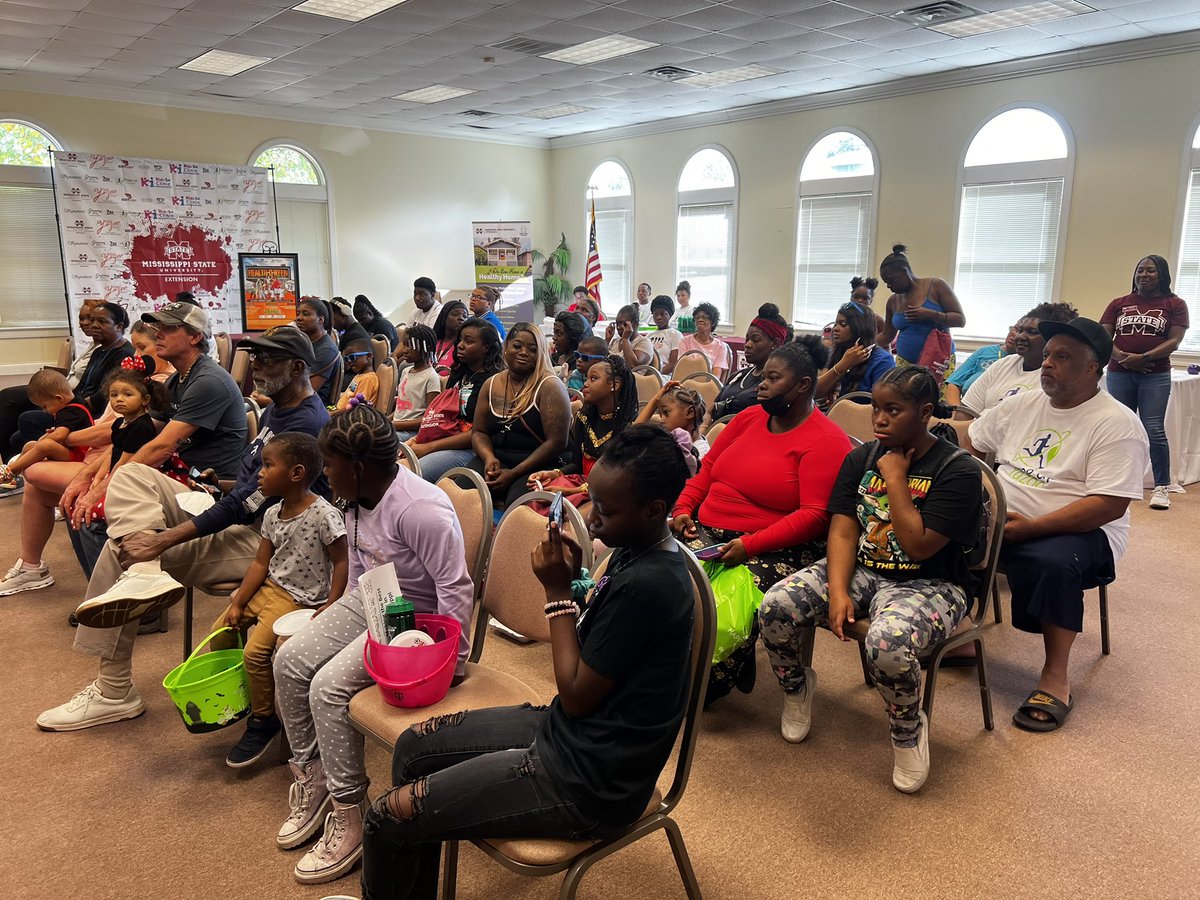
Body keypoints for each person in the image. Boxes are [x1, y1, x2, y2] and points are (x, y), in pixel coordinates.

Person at [358, 425, 695, 899]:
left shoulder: (651, 583)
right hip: (572, 737)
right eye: (592, 502)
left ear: (655, 510)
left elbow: (576, 694)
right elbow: (601, 649)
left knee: (386, 818)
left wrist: (557, 593)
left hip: (591, 783)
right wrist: (577, 581)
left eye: (606, 510)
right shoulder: (636, 551)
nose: (592, 520)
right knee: (414, 748)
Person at [35, 319, 329, 732]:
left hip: (271, 545)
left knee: (123, 550)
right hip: (238, 514)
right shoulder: (280, 409)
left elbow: (251, 503)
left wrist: (166, 539)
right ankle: (142, 577)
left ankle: (113, 690)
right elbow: (250, 486)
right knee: (132, 477)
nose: (256, 365)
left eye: (268, 358)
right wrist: (215, 482)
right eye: (256, 355)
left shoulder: (305, 424)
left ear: (298, 368)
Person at [758, 365, 983, 793]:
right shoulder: (860, 457)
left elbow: (918, 546)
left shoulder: (958, 470)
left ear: (926, 412)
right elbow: (843, 529)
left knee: (888, 644)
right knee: (776, 605)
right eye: (876, 408)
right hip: (864, 569)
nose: (878, 419)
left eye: (892, 410)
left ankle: (907, 729)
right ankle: (797, 686)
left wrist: (896, 479)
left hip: (932, 583)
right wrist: (839, 591)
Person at [273, 405, 472, 885]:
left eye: (331, 465)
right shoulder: (357, 498)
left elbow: (456, 588)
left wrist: (453, 661)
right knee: (289, 661)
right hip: (372, 603)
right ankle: (315, 775)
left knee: (326, 688)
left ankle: (350, 809)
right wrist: (340, 607)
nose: (325, 474)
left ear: (358, 468)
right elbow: (364, 565)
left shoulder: (419, 509)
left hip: (415, 625)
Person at [967, 318, 1148, 733]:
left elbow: (1108, 505)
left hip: (1085, 532)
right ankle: (960, 628)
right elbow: (974, 441)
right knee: (942, 526)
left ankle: (1055, 677)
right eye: (1048, 355)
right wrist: (982, 498)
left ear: (1093, 367)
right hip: (1006, 520)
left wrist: (1029, 528)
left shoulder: (1116, 423)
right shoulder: (1021, 403)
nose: (1047, 363)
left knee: (1052, 561)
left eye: (1062, 357)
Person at [671, 336, 852, 703]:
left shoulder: (826, 439)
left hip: (774, 545)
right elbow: (705, 473)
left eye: (772, 379)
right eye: (763, 378)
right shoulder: (749, 417)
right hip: (707, 531)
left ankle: (716, 669)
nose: (762, 385)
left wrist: (749, 544)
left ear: (802, 386)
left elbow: (815, 517)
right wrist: (682, 510)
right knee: (660, 584)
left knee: (706, 660)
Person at [212, 432, 348, 768]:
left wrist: (331, 603)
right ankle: (249, 695)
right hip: (272, 587)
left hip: (300, 599)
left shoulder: (324, 514)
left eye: (267, 465)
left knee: (255, 652)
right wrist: (238, 602)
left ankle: (263, 720)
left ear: (296, 473)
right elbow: (261, 563)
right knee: (220, 635)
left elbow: (342, 561)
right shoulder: (272, 514)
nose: (259, 471)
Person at [1100, 255, 1190, 510]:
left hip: (1156, 374)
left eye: (1151, 271)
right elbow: (1103, 335)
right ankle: (1115, 481)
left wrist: (1144, 358)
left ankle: (1161, 486)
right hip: (1119, 372)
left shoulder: (1175, 304)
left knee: (1153, 429)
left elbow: (1174, 340)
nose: (1144, 275)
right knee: (1118, 427)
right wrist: (1123, 358)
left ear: (1162, 275)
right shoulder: (1119, 303)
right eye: (1140, 270)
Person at [7, 302, 133, 462]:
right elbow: (82, 386)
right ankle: (10, 471)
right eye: (92, 320)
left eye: (101, 321)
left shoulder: (125, 355)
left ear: (119, 326)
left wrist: (71, 405)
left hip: (89, 414)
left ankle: (44, 461)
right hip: (74, 403)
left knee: (27, 421)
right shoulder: (99, 351)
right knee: (15, 423)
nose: (93, 325)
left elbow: (103, 396)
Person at [470, 324, 571, 506]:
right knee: (464, 495)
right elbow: (478, 432)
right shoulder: (491, 383)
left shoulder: (550, 386)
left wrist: (514, 473)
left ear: (540, 353)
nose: (523, 352)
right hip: (496, 460)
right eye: (517, 346)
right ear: (506, 347)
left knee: (518, 509)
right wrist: (489, 457)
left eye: (532, 349)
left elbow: (556, 443)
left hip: (536, 465)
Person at [527, 354, 639, 498]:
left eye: (593, 378)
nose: (585, 384)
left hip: (608, 495)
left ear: (614, 385)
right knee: (538, 498)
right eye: (586, 378)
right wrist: (554, 473)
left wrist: (571, 492)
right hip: (581, 483)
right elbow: (577, 465)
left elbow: (618, 481)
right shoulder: (583, 418)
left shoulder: (628, 427)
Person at [409, 319, 503, 483]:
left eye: (469, 341)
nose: (460, 345)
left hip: (472, 448)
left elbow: (479, 433)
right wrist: (418, 439)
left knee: (416, 472)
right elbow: (442, 417)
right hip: (446, 438)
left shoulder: (493, 381)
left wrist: (428, 447)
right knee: (399, 463)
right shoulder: (460, 372)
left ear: (485, 348)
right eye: (460, 340)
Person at [958, 302, 1077, 418]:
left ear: (1052, 339)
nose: (1020, 336)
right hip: (970, 433)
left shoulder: (1055, 377)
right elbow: (966, 411)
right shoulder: (1002, 365)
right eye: (1020, 330)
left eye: (1032, 332)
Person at [878, 244, 965, 386]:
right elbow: (887, 335)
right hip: (904, 364)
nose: (888, 286)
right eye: (886, 282)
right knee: (905, 404)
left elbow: (960, 320)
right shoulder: (893, 301)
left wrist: (930, 314)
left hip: (938, 362)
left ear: (904, 271)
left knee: (936, 403)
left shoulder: (936, 286)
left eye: (890, 280)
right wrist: (866, 343)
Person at [0, 370, 94, 489]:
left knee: (45, 445)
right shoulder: (71, 405)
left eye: (44, 406)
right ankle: (13, 475)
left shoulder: (71, 411)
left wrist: (43, 441)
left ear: (59, 398)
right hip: (71, 449)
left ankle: (10, 471)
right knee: (30, 445)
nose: (45, 411)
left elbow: (60, 435)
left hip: (81, 454)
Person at [708, 303, 790, 422]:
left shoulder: (776, 384)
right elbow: (710, 411)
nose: (747, 344)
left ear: (775, 344)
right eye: (747, 339)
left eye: (755, 340)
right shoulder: (737, 376)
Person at [816, 300, 896, 407]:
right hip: (835, 414)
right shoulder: (838, 352)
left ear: (859, 327)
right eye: (836, 323)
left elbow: (882, 405)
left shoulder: (883, 360)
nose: (835, 328)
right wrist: (844, 364)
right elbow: (816, 392)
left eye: (843, 324)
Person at [637, 380, 708, 474]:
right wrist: (656, 399)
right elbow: (633, 434)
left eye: (666, 413)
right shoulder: (668, 438)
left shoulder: (701, 455)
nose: (661, 420)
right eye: (660, 414)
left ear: (690, 412)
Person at [944, 325, 1017, 406]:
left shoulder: (1026, 364)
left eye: (1020, 332)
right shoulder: (985, 352)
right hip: (965, 410)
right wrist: (956, 412)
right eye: (1015, 328)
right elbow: (954, 383)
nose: (1014, 334)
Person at [392, 325, 440, 436]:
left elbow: (428, 419)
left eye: (410, 346)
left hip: (411, 432)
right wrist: (386, 420)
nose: (405, 350)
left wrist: (394, 425)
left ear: (425, 347)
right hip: (397, 427)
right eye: (405, 345)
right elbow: (401, 410)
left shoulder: (431, 377)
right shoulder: (406, 371)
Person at [294, 296, 341, 406]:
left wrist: (270, 401)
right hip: (292, 400)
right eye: (298, 313)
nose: (299, 318)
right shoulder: (303, 344)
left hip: (310, 407)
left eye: (305, 314)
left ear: (321, 319)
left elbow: (307, 392)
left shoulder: (327, 350)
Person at [677, 301, 731, 380]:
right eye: (697, 317)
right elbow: (682, 368)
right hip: (687, 383)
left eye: (704, 317)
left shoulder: (720, 347)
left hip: (708, 386)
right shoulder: (684, 342)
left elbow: (716, 375)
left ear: (712, 322)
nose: (700, 320)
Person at [336, 339, 380, 411]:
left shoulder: (368, 379)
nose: (349, 361)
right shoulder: (359, 375)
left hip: (350, 417)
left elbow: (357, 407)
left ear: (368, 356)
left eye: (352, 357)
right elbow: (350, 394)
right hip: (341, 412)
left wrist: (334, 413)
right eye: (346, 359)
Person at [605, 304, 653, 368]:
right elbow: (601, 360)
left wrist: (625, 340)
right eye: (617, 324)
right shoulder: (615, 341)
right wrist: (607, 340)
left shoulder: (644, 342)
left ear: (635, 324)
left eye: (623, 324)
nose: (618, 327)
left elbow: (633, 365)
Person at [432, 300, 468, 374]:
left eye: (465, 316)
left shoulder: (464, 346)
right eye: (455, 314)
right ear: (444, 316)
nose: (461, 318)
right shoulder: (432, 342)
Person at [648, 294, 682, 373]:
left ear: (669, 315)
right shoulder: (648, 336)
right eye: (655, 314)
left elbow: (673, 364)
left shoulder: (675, 335)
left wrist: (656, 374)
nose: (658, 317)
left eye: (663, 314)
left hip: (665, 376)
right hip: (647, 374)